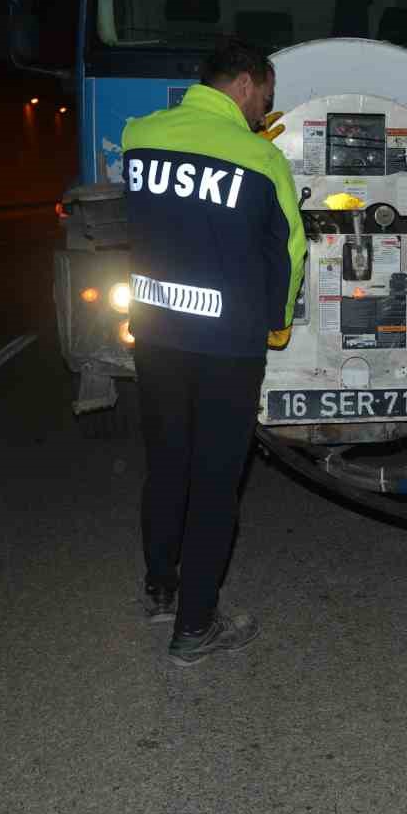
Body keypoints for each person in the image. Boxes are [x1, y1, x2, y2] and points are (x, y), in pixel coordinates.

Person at [120, 38, 306, 667]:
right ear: (248, 84)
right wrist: (277, 325)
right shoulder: (260, 157)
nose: (265, 110)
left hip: (155, 331)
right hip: (225, 345)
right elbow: (288, 251)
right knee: (216, 480)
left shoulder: (140, 136)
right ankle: (196, 626)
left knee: (167, 462)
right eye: (266, 98)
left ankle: (159, 589)